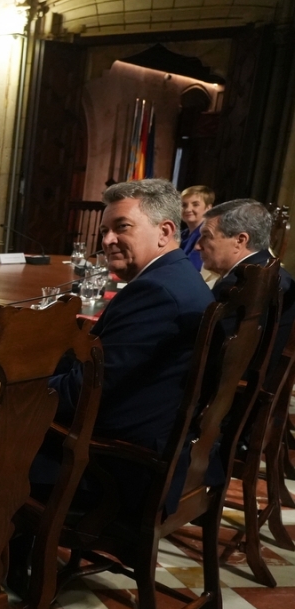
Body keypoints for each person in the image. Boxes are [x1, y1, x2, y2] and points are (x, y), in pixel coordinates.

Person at [36, 179, 213, 518]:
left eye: (122, 228)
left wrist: (18, 387)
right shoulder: (177, 279)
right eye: (105, 231)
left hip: (115, 471)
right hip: (148, 448)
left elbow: (83, 391)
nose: (107, 241)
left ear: (164, 231)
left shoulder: (156, 293)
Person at [198, 199, 294, 381]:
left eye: (207, 236)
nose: (197, 245)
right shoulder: (272, 273)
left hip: (225, 397)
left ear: (240, 241)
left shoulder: (240, 285)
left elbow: (206, 350)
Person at [179, 185, 215, 273]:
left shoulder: (207, 236)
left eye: (195, 204)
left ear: (208, 208)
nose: (188, 209)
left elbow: (192, 267)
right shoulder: (182, 234)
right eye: (184, 205)